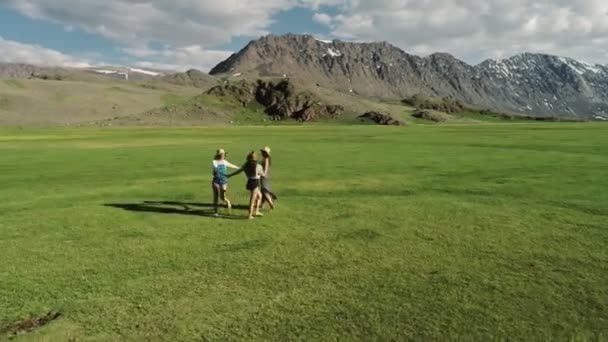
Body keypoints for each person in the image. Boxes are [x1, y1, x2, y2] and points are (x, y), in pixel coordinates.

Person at [228, 151, 265, 219]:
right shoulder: (258, 165)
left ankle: (256, 211)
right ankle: (250, 215)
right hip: (255, 182)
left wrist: (230, 175)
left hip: (250, 182)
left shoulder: (246, 164)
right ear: (255, 158)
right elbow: (263, 174)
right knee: (253, 200)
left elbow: (239, 171)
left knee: (259, 196)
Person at [211, 148, 239, 216]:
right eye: (223, 154)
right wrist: (216, 171)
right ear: (219, 155)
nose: (224, 155)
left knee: (222, 196)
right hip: (216, 180)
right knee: (216, 196)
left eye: (224, 154)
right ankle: (215, 211)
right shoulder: (214, 161)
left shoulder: (224, 162)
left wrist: (239, 168)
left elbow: (231, 165)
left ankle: (228, 202)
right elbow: (215, 167)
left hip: (223, 180)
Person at [259, 146, 277, 211]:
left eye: (263, 152)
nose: (262, 152)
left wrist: (263, 174)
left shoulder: (266, 159)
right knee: (263, 191)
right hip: (264, 176)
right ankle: (262, 204)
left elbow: (266, 168)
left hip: (264, 176)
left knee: (264, 191)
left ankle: (271, 204)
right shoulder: (265, 158)